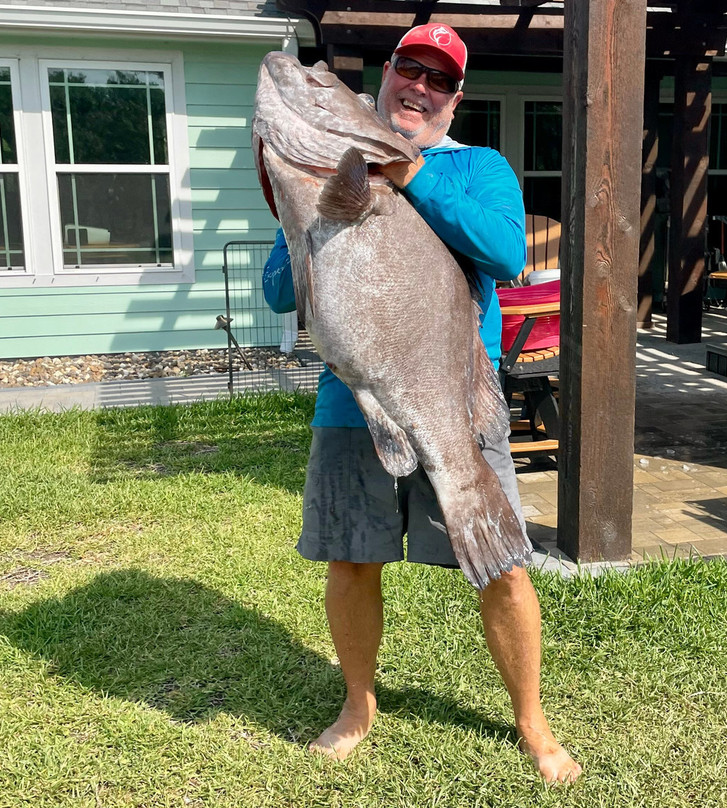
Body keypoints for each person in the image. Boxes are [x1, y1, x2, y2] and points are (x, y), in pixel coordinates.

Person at [262, 23, 581, 785]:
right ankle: (357, 705)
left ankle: (532, 721)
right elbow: (281, 291)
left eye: (439, 79)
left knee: (503, 568)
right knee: (350, 558)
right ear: (386, 75)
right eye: (410, 69)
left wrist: (407, 176)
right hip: (353, 398)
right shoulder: (321, 167)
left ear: (456, 97)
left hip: (456, 403)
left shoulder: (480, 168)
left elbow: (505, 253)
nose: (421, 87)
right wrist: (288, 204)